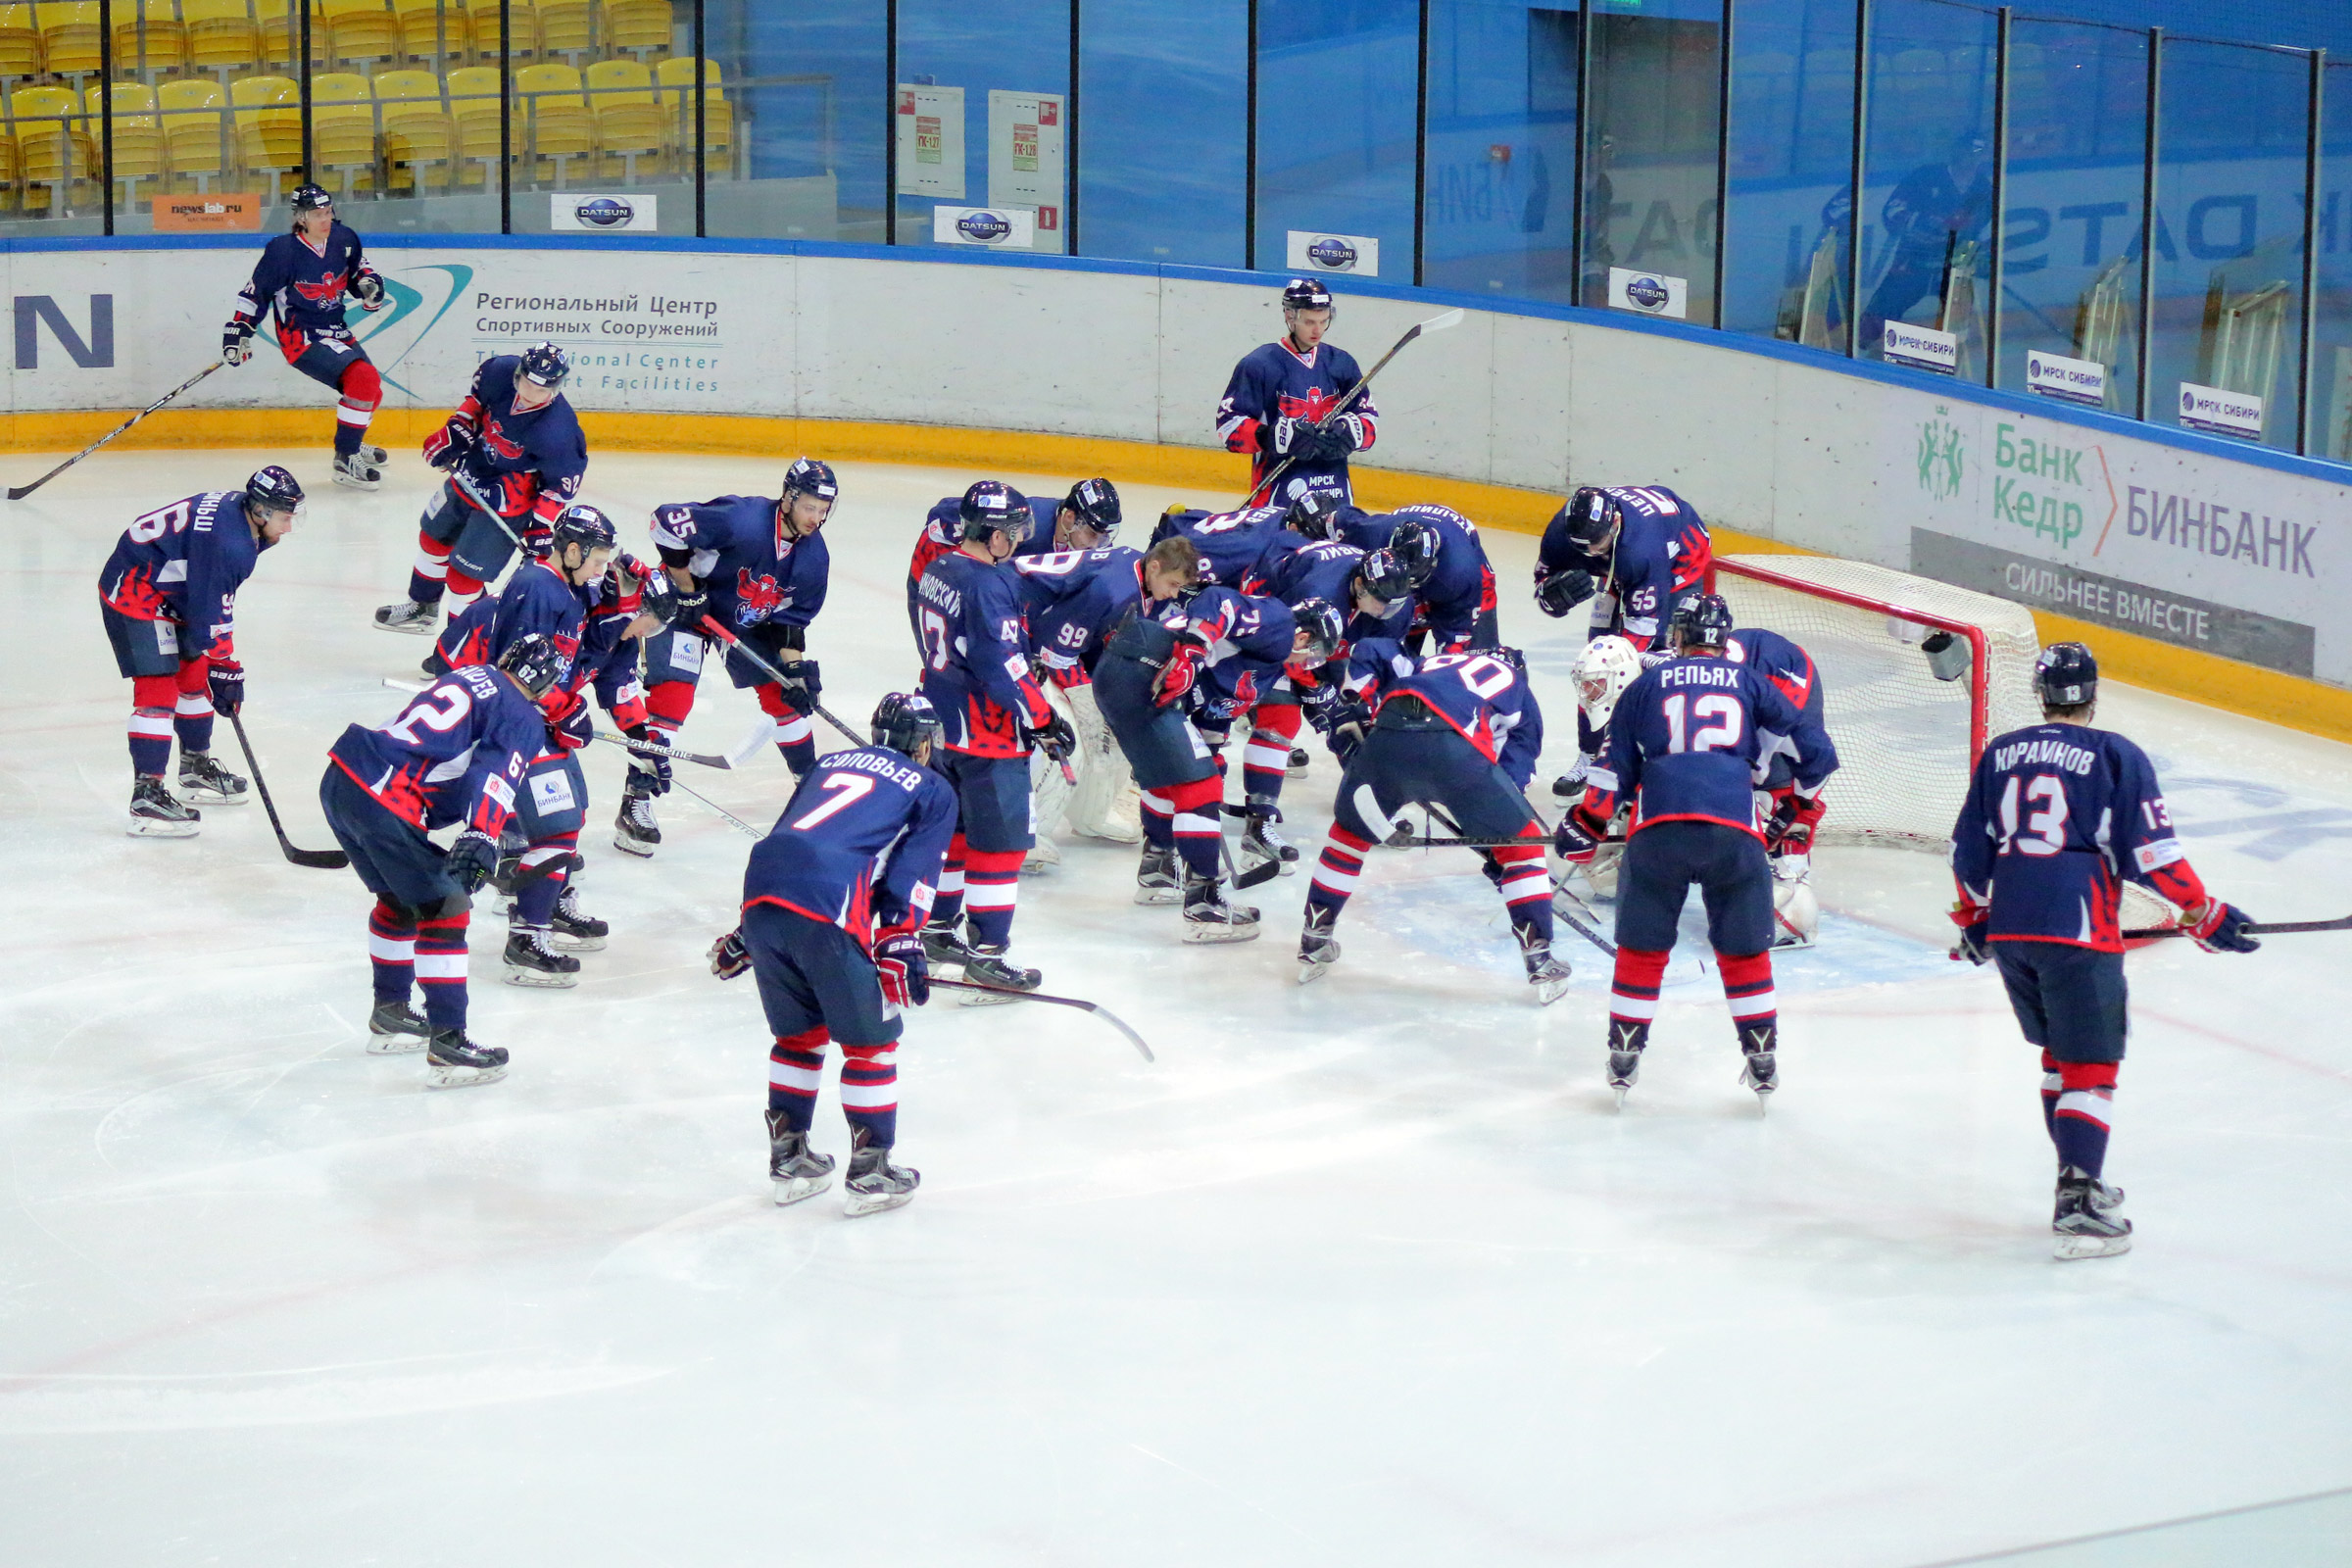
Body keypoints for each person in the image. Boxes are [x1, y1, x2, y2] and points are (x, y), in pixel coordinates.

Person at [1949, 642, 2258, 1259]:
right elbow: (2153, 854)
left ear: (2040, 694)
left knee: (2060, 1059)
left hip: (2012, 926)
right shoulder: (2116, 754)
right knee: (2092, 1064)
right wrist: (2203, 912)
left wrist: (1974, 919)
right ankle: (2079, 1201)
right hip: (2078, 924)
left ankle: (2076, 1179)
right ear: (2093, 693)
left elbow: (1967, 853)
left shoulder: (2001, 753)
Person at [1558, 595, 1826, 1110]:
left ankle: (1624, 1053)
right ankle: (1762, 1055)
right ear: (1724, 640)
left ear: (1677, 637)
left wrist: (1585, 822)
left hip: (1658, 832)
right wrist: (1799, 810)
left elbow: (1613, 770)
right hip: (1735, 834)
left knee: (1643, 950)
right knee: (1743, 952)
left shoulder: (1645, 685)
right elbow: (1817, 754)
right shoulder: (1753, 683)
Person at [710, 692, 957, 1216]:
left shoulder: (826, 764)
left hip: (763, 898)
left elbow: (793, 841)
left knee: (798, 1038)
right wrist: (901, 942)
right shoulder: (932, 787)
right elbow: (913, 875)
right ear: (924, 744)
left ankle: (790, 1160)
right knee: (872, 1045)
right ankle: (871, 1173)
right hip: (829, 907)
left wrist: (743, 935)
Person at [318, 635, 563, 1088]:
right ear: (546, 683)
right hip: (383, 799)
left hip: (342, 778)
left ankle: (392, 1013)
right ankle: (449, 1041)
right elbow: (493, 774)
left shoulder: (471, 676)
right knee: (446, 910)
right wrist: (482, 834)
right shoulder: (521, 714)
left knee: (398, 901)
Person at [423, 503, 625, 981]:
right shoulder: (537, 586)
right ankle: (526, 938)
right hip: (521, 727)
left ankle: (551, 904)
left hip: (541, 724)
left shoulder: (568, 587)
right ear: (572, 550)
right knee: (555, 827)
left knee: (570, 815)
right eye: (596, 558)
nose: (600, 569)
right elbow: (521, 669)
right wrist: (564, 708)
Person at [1296, 642, 1565, 1002]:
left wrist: (1357, 701)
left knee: (1348, 835)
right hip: (1453, 747)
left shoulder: (1431, 663)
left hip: (1387, 733)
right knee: (1522, 845)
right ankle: (1540, 958)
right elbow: (1516, 768)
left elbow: (1375, 648)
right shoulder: (1517, 685)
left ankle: (1315, 937)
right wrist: (1496, 834)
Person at [620, 458, 841, 856]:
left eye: (824, 510)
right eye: (810, 506)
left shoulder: (814, 558)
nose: (816, 518)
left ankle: (808, 787)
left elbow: (788, 623)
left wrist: (794, 671)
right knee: (673, 697)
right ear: (789, 498)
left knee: (782, 693)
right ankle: (636, 800)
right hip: (684, 606)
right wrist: (687, 586)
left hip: (739, 620)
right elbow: (664, 522)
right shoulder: (743, 520)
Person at [913, 481, 1076, 994]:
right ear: (990, 533)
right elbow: (1000, 666)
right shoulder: (989, 583)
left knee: (955, 836)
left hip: (941, 725)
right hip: (988, 734)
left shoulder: (938, 567)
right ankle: (988, 954)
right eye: (1011, 532)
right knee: (1002, 846)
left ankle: (938, 931)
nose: (1019, 540)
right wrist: (1043, 718)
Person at [98, 466, 305, 837]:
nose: (289, 527)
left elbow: (208, 599)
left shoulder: (239, 518)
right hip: (136, 590)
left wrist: (219, 668)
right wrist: (227, 667)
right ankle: (147, 797)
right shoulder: (232, 544)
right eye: (285, 518)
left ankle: (194, 768)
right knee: (159, 689)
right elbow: (214, 613)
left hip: (173, 586)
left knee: (195, 675)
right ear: (261, 511)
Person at [371, 343, 587, 637]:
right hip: (470, 474)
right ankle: (422, 608)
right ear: (519, 372)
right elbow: (475, 403)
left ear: (556, 388)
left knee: (465, 577)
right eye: (525, 381)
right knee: (433, 539)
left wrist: (539, 527)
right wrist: (455, 431)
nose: (528, 393)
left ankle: (464, 646)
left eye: (539, 389)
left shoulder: (560, 431)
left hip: (507, 502)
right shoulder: (498, 372)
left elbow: (559, 489)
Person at [220, 185, 389, 489]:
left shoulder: (343, 238)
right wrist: (239, 330)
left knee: (371, 389)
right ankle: (345, 456)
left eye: (328, 212)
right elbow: (256, 292)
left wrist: (369, 285)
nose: (325, 219)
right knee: (363, 378)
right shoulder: (282, 251)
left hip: (335, 327)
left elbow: (358, 269)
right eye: (317, 214)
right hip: (300, 335)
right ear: (300, 218)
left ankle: (353, 439)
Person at [1011, 534, 1158, 867]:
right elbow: (1053, 652)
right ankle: (1027, 834)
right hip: (1022, 646)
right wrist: (1087, 701)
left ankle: (1092, 814)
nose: (1176, 593)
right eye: (1174, 584)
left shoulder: (1141, 579)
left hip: (1034, 642)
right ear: (1156, 567)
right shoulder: (1111, 589)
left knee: (1113, 727)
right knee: (1064, 737)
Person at [906, 478, 1120, 655]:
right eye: (1092, 533)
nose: (1097, 545)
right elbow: (944, 512)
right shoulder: (1023, 522)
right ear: (1069, 518)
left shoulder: (1082, 542)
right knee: (944, 660)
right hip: (931, 571)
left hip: (984, 583)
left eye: (1104, 536)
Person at [1726, 624, 1841, 950]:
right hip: (1751, 701)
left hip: (1787, 686)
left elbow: (1819, 760)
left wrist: (1800, 809)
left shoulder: (1782, 714)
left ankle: (1794, 918)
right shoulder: (1704, 686)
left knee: (1776, 807)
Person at [1215, 277, 1379, 506]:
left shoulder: (1342, 363)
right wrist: (1269, 436)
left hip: (1335, 493)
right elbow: (1228, 426)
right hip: (1275, 497)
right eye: (1310, 322)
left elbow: (1369, 421)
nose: (1318, 330)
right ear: (1290, 316)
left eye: (1323, 321)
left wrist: (1355, 432)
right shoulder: (1259, 365)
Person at [1534, 485, 1713, 653]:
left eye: (1597, 543)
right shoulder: (1560, 532)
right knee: (1599, 639)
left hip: (1682, 556)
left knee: (1662, 647)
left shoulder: (1642, 552)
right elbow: (1543, 575)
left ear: (1616, 522)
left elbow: (1644, 629)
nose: (1591, 552)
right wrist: (1549, 594)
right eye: (1581, 547)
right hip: (1625, 555)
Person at [1862, 132, 1993, 352]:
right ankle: (1860, 350)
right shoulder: (1926, 176)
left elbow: (1977, 226)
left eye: (1977, 154)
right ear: (1957, 151)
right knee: (1879, 313)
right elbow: (1893, 209)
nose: (1970, 159)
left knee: (1957, 320)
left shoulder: (1983, 187)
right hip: (1913, 260)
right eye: (1967, 152)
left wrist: (1965, 243)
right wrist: (1923, 223)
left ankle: (1949, 358)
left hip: (1952, 266)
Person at [1338, 503, 1499, 653]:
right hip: (1433, 570)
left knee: (1473, 657)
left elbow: (1454, 639)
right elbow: (1337, 522)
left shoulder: (1461, 573)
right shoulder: (1372, 533)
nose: (1405, 586)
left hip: (1458, 580)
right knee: (1389, 647)